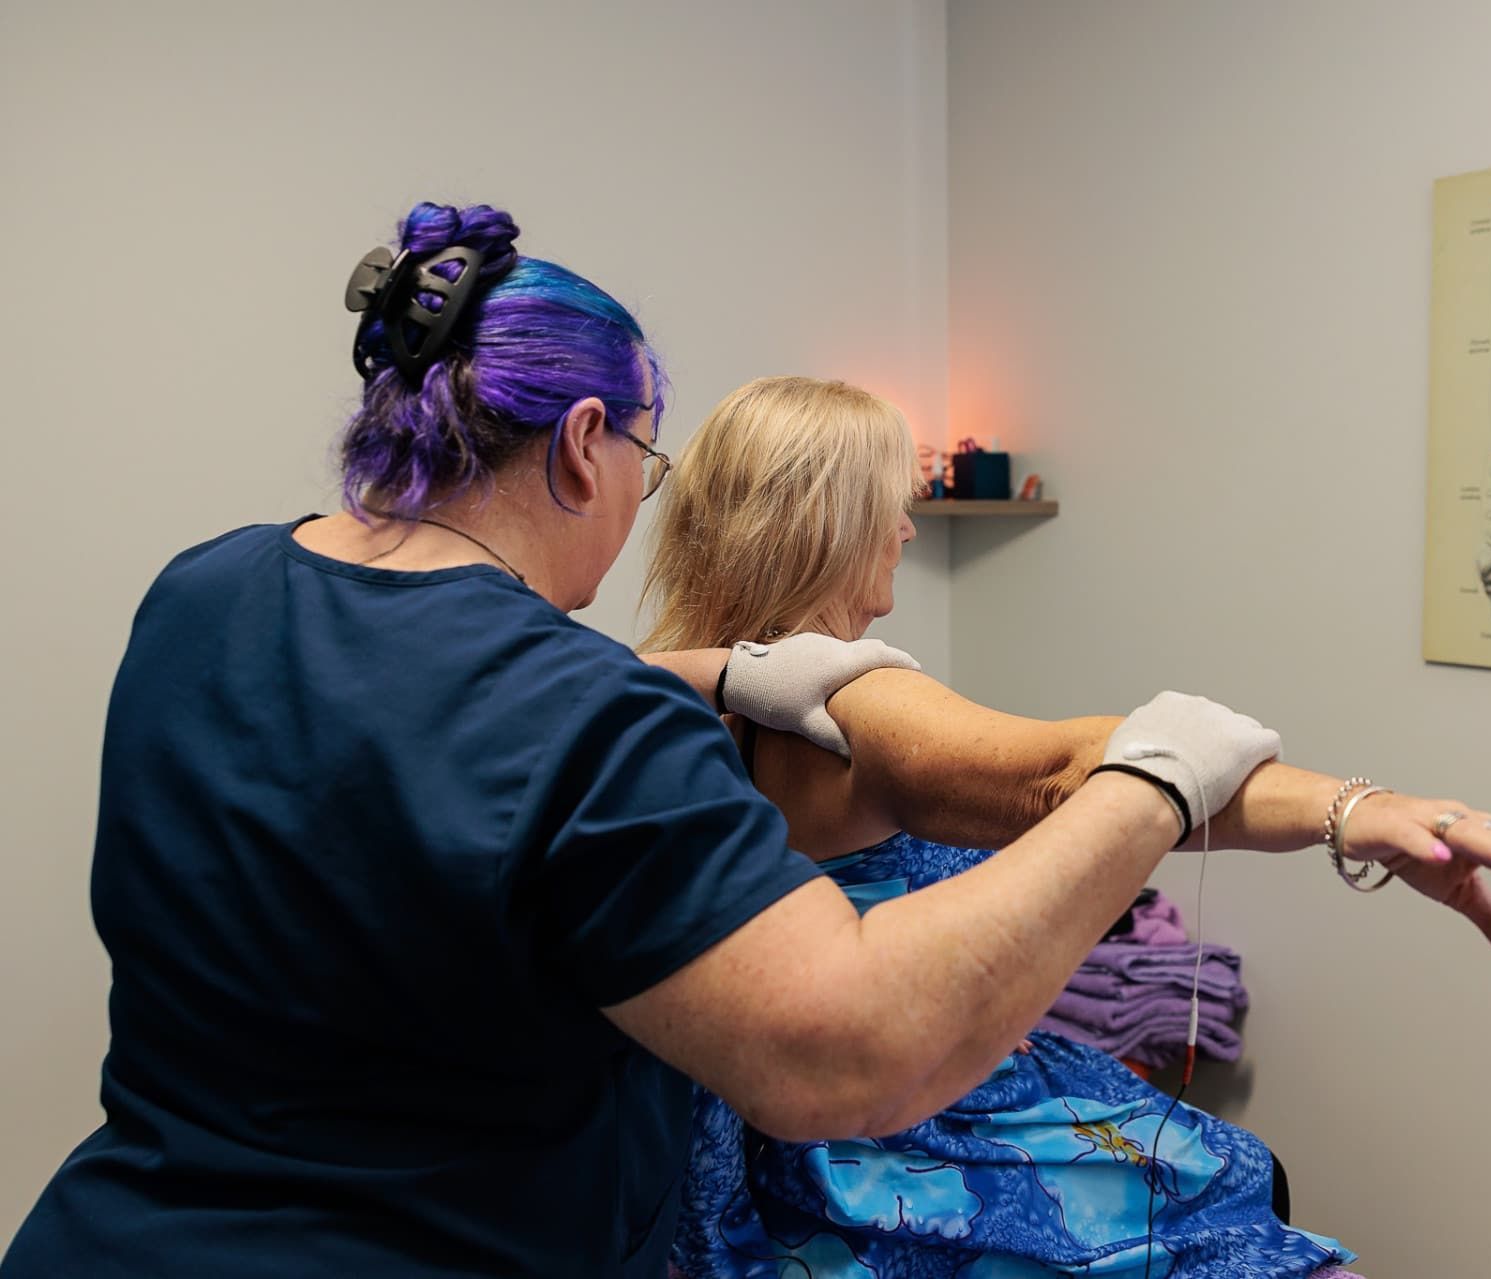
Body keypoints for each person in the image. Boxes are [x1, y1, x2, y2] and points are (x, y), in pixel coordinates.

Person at [0, 204, 1297, 1279]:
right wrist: (1153, 779)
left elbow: (406, 718)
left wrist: (712, 670)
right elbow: (847, 1052)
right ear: (581, 442)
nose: (640, 496)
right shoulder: (579, 709)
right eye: (645, 459)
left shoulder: (203, 593)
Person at [638, 377, 1491, 1276]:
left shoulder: (648, 699)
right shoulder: (852, 699)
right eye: (890, 502)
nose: (907, 526)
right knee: (1232, 1197)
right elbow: (1070, 769)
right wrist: (1358, 810)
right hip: (909, 1147)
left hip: (766, 1161)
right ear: (829, 526)